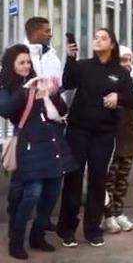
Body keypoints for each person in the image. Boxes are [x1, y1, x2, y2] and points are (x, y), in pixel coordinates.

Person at [57, 28, 133, 248]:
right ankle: (66, 229)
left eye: (103, 38)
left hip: (103, 134)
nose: (98, 40)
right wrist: (71, 57)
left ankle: (93, 230)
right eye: (95, 37)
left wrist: (118, 96)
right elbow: (67, 82)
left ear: (112, 45)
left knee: (97, 180)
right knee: (73, 179)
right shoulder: (83, 66)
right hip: (78, 130)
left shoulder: (120, 72)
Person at [0, 44, 77, 260]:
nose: (26, 66)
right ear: (11, 65)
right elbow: (5, 110)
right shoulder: (7, 87)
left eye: (28, 62)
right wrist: (27, 90)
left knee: (51, 195)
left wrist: (52, 93)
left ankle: (38, 236)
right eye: (21, 63)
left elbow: (62, 111)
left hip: (53, 145)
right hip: (29, 147)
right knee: (31, 194)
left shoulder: (39, 81)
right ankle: (16, 240)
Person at [11, 17, 63, 234]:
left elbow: (59, 87)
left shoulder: (52, 56)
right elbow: (10, 91)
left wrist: (54, 92)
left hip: (51, 124)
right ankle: (15, 223)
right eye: (46, 30)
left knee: (53, 181)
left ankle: (41, 224)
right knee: (28, 184)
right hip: (27, 126)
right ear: (33, 32)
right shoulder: (20, 54)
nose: (50, 34)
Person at [103, 46, 133, 234]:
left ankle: (119, 212)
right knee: (108, 182)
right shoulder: (107, 80)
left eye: (129, 60)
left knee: (122, 180)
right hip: (111, 141)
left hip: (129, 139)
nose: (127, 64)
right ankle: (107, 216)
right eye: (123, 60)